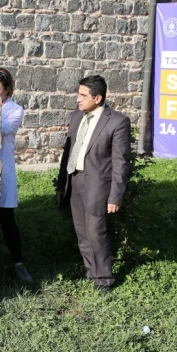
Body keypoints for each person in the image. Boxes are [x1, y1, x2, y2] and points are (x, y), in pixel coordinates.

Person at [56, 75, 131, 292]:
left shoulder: (117, 122)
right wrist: (62, 185)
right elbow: (67, 153)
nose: (77, 100)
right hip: (75, 181)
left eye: (82, 96)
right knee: (82, 232)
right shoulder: (76, 117)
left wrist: (115, 196)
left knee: (96, 232)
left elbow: (121, 162)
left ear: (97, 98)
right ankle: (91, 271)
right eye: (78, 94)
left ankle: (104, 279)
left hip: (98, 187)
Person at [0, 68, 33, 284]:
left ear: (7, 90)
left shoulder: (16, 111)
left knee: (7, 219)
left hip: (3, 169)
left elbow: (1, 129)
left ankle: (18, 264)